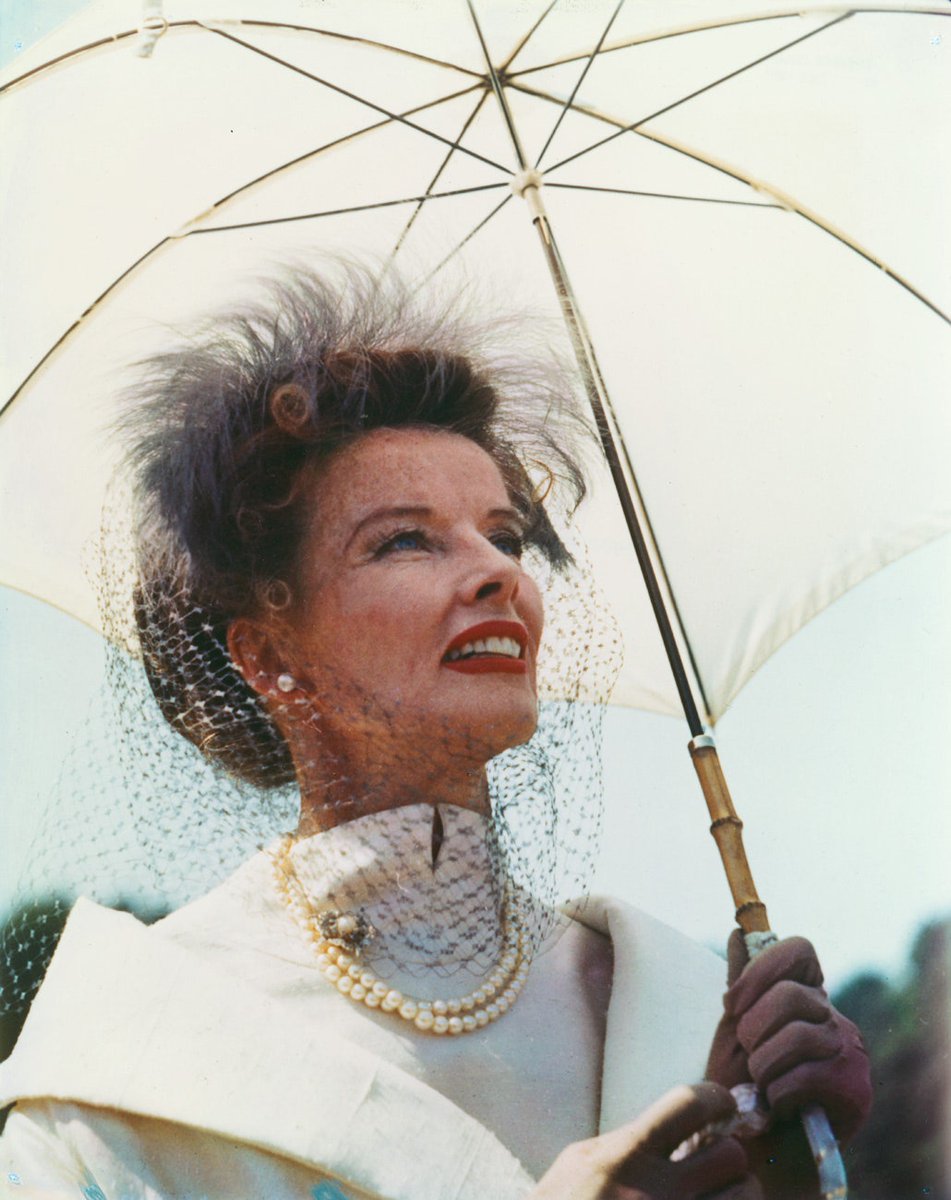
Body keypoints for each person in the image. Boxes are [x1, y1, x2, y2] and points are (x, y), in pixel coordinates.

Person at [0, 269, 870, 1198]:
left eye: (505, 535)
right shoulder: (127, 1061)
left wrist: (793, 1169)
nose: (497, 573)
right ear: (262, 657)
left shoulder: (674, 1000)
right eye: (405, 541)